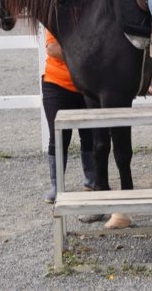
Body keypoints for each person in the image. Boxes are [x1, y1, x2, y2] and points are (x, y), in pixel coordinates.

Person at [41, 28, 101, 223]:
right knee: (58, 137)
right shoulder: (54, 15)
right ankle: (57, 185)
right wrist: (83, 53)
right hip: (57, 83)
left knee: (89, 135)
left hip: (86, 83)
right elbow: (52, 48)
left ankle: (91, 181)